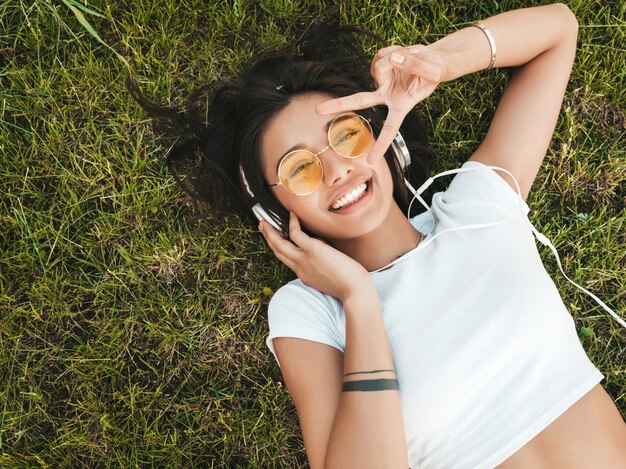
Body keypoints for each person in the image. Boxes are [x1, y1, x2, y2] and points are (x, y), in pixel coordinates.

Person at [128, 3, 626, 467]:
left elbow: (559, 29)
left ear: (382, 136)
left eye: (346, 136)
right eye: (300, 168)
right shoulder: (310, 310)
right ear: (273, 207)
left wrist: (437, 62)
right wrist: (359, 298)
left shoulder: (477, 206)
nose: (338, 170)